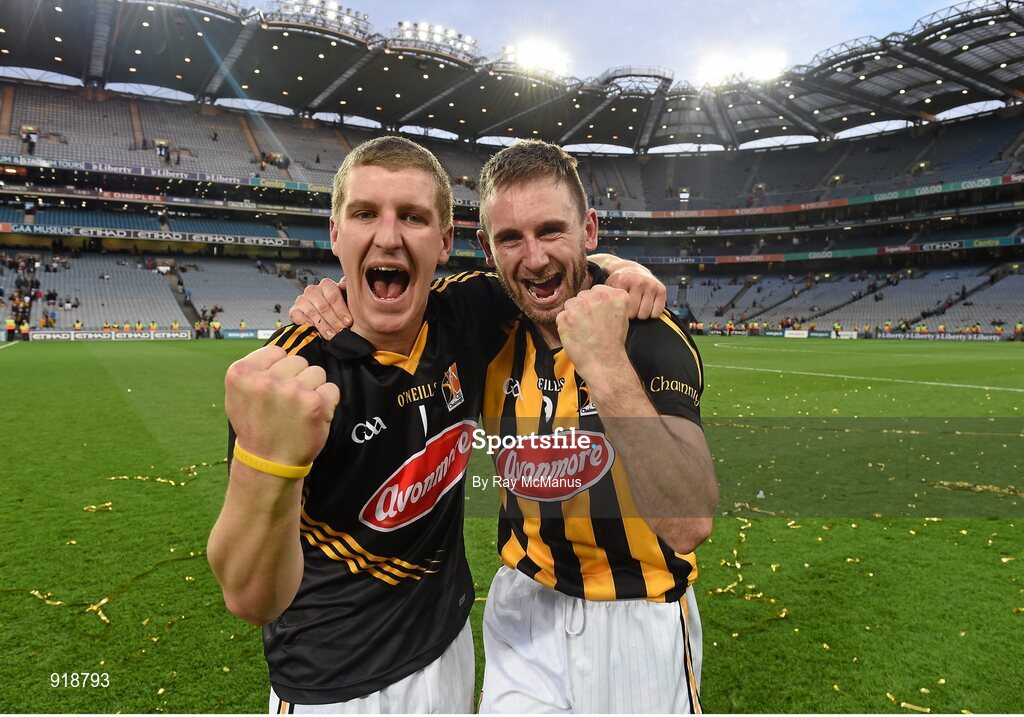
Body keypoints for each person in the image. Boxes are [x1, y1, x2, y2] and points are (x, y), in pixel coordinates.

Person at [209, 136, 662, 714]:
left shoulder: (468, 312)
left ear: (445, 242)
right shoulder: (290, 374)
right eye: (366, 213)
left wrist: (623, 267)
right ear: (335, 234)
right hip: (334, 682)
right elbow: (250, 598)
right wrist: (268, 465)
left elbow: (550, 266)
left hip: (450, 653)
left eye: (414, 218)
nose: (390, 235)